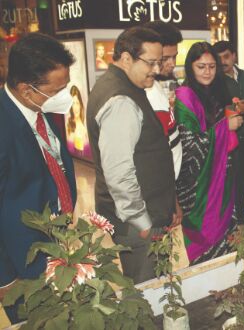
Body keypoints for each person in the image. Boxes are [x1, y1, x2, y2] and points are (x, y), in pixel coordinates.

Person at [87, 27, 177, 284]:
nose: (157, 69)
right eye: (151, 62)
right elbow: (119, 172)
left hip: (144, 213)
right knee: (147, 292)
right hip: (137, 223)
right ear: (126, 58)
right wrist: (142, 221)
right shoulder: (121, 100)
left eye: (159, 62)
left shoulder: (124, 85)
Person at [0, 33, 77, 324]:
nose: (64, 95)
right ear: (26, 88)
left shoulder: (41, 108)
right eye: (58, 89)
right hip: (22, 262)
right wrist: (4, 277)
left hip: (57, 241)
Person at [174, 42, 243, 264]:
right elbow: (190, 148)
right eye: (201, 66)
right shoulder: (185, 96)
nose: (207, 72)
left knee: (228, 244)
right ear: (190, 67)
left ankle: (227, 286)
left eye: (212, 66)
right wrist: (225, 128)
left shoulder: (213, 92)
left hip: (221, 178)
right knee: (207, 250)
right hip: (198, 188)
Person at [213, 40, 244, 226]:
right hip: (228, 139)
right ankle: (226, 220)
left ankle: (241, 213)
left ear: (234, 55)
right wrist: (234, 107)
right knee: (228, 182)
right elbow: (212, 109)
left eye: (226, 56)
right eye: (219, 59)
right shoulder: (215, 80)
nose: (223, 61)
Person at [143, 21, 183, 181]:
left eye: (175, 56)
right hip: (159, 188)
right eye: (166, 58)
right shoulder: (144, 92)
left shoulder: (156, 86)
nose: (172, 63)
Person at [66, 85, 90, 157]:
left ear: (80, 104)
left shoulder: (85, 123)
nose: (75, 107)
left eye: (77, 103)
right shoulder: (69, 125)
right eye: (73, 104)